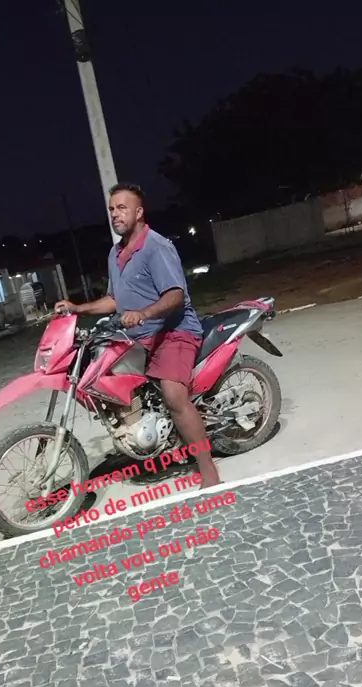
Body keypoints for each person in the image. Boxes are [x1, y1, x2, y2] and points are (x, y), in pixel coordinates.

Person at [55, 182, 221, 488]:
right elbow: (114, 299)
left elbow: (175, 295)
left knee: (173, 396)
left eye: (122, 208)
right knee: (107, 378)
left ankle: (208, 470)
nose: (115, 214)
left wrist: (144, 313)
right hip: (137, 335)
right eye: (111, 209)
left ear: (139, 212)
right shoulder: (115, 253)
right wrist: (78, 308)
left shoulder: (156, 247)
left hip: (174, 331)